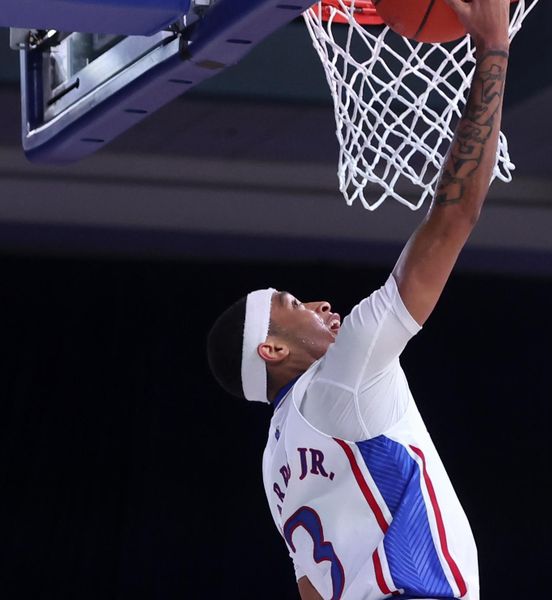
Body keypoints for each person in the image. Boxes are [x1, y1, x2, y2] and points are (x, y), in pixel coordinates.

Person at [206, 0, 511, 597]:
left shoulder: (278, 463)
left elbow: (311, 587)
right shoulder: (342, 375)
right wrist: (492, 50)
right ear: (270, 348)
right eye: (292, 304)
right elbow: (454, 217)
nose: (320, 305)